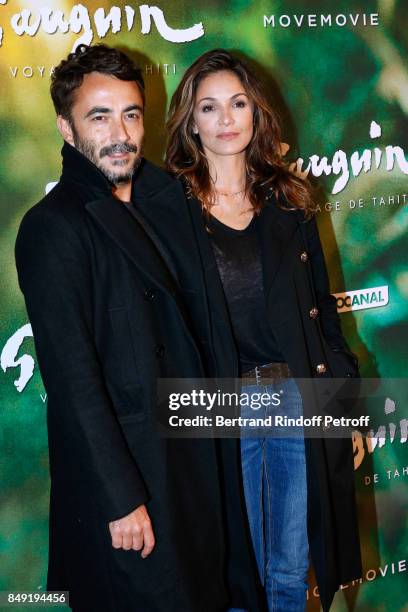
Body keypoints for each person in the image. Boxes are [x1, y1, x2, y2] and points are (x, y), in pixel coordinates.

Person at [14, 44, 264, 612]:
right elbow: (73, 380)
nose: (120, 132)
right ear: (66, 127)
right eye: (98, 116)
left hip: (196, 467)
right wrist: (121, 498)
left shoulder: (166, 201)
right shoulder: (52, 228)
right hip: (133, 489)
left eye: (130, 113)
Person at [162, 49, 363, 612]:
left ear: (256, 113)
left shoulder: (290, 200)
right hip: (219, 409)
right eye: (209, 107)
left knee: (291, 570)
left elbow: (322, 312)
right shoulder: (168, 213)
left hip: (295, 400)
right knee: (233, 575)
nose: (226, 119)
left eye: (238, 103)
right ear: (191, 121)